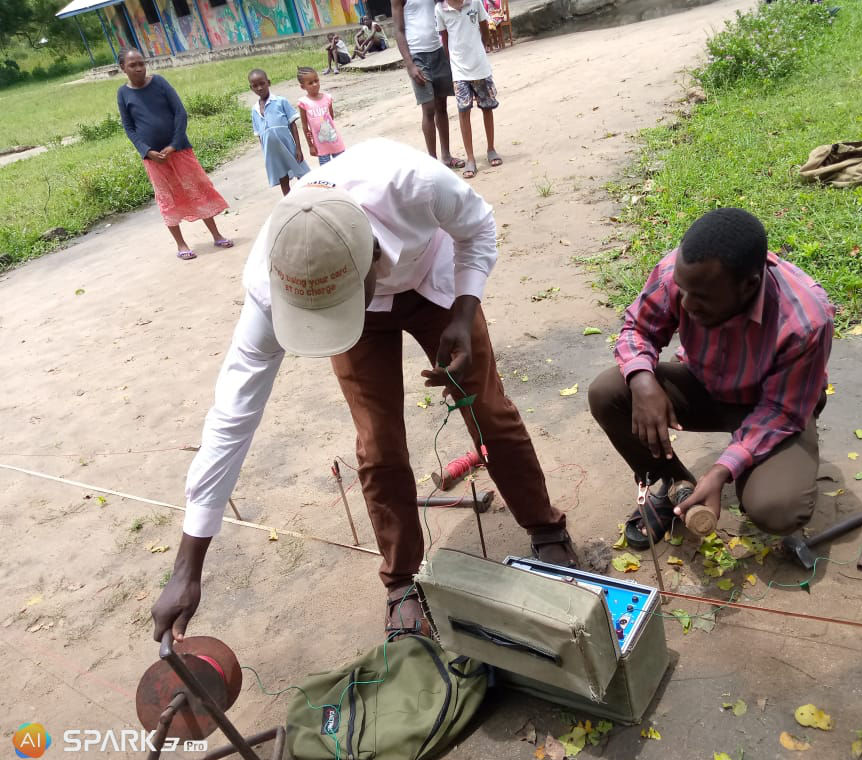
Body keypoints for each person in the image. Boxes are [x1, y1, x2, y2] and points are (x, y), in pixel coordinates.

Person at [150, 138, 578, 643]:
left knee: (485, 407)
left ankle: (545, 528)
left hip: (434, 284)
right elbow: (233, 414)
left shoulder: (417, 184)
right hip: (353, 298)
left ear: (376, 258)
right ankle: (401, 582)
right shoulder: (278, 275)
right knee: (377, 442)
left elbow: (479, 229)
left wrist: (463, 311)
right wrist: (187, 563)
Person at [588, 208, 835, 548]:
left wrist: (722, 470)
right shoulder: (683, 270)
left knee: (777, 509)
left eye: (702, 298)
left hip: (774, 406)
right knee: (608, 392)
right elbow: (638, 329)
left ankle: (760, 468)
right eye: (683, 291)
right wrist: (643, 381)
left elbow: (782, 410)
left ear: (749, 286)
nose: (686, 304)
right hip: (706, 387)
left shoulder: (807, 319)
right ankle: (677, 487)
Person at [115, 48, 233, 260]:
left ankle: (216, 234)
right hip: (153, 159)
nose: (139, 68)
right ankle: (181, 244)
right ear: (123, 68)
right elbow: (129, 128)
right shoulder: (123, 93)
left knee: (197, 188)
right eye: (133, 65)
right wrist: (147, 151)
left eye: (141, 63)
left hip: (179, 150)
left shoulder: (159, 82)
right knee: (167, 197)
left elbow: (180, 112)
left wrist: (174, 144)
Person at [391, 0, 465, 168]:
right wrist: (409, 64)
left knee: (442, 106)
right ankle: (433, 163)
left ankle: (446, 156)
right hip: (418, 56)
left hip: (437, 51)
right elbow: (399, 31)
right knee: (429, 108)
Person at [435, 0, 502, 179]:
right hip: (459, 71)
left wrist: (481, 49)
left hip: (480, 66)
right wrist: (454, 63)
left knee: (487, 108)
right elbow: (445, 39)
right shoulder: (440, 9)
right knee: (463, 111)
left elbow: (484, 27)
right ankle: (470, 158)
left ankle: (491, 148)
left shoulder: (474, 2)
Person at [249, 69, 309, 197]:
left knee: (301, 173)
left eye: (262, 83)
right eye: (255, 86)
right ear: (251, 88)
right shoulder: (254, 110)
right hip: (272, 151)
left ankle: (309, 195)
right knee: (283, 178)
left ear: (268, 83)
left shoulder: (280, 101)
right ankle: (290, 202)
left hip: (288, 146)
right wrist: (265, 153)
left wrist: (298, 148)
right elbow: (260, 135)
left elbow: (292, 125)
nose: (259, 88)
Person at [296, 67, 346, 165]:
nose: (315, 84)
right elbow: (305, 127)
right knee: (326, 170)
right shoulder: (304, 103)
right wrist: (310, 145)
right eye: (310, 83)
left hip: (334, 140)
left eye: (316, 81)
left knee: (342, 164)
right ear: (303, 87)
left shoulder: (327, 98)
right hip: (320, 145)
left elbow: (331, 117)